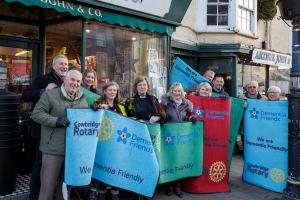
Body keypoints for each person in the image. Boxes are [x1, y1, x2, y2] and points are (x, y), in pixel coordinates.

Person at [32, 70, 88, 200]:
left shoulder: (82, 98)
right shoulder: (50, 95)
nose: (75, 83)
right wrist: (56, 121)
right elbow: (36, 114)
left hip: (72, 152)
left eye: (78, 81)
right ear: (65, 79)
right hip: (53, 150)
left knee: (64, 191)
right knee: (47, 188)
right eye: (72, 80)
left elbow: (85, 118)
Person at [21, 54, 69, 200]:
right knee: (41, 165)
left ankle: (53, 194)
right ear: (53, 66)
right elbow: (25, 94)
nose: (64, 67)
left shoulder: (68, 81)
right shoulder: (43, 79)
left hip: (61, 131)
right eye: (61, 64)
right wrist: (43, 90)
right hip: (43, 131)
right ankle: (34, 196)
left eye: (66, 65)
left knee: (57, 168)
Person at [93, 82, 126, 200]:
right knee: (103, 165)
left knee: (115, 166)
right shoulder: (98, 102)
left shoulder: (121, 106)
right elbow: (93, 108)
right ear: (105, 91)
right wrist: (99, 107)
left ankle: (115, 192)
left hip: (117, 143)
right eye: (110, 90)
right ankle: (102, 192)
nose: (113, 92)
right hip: (103, 141)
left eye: (115, 90)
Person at [160, 82, 194, 198]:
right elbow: (161, 114)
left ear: (182, 92)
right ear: (171, 92)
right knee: (169, 159)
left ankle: (177, 186)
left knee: (179, 160)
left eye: (179, 91)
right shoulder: (166, 103)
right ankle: (169, 185)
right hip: (168, 135)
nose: (177, 93)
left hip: (181, 136)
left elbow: (188, 116)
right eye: (175, 91)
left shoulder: (186, 104)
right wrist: (162, 116)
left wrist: (191, 118)